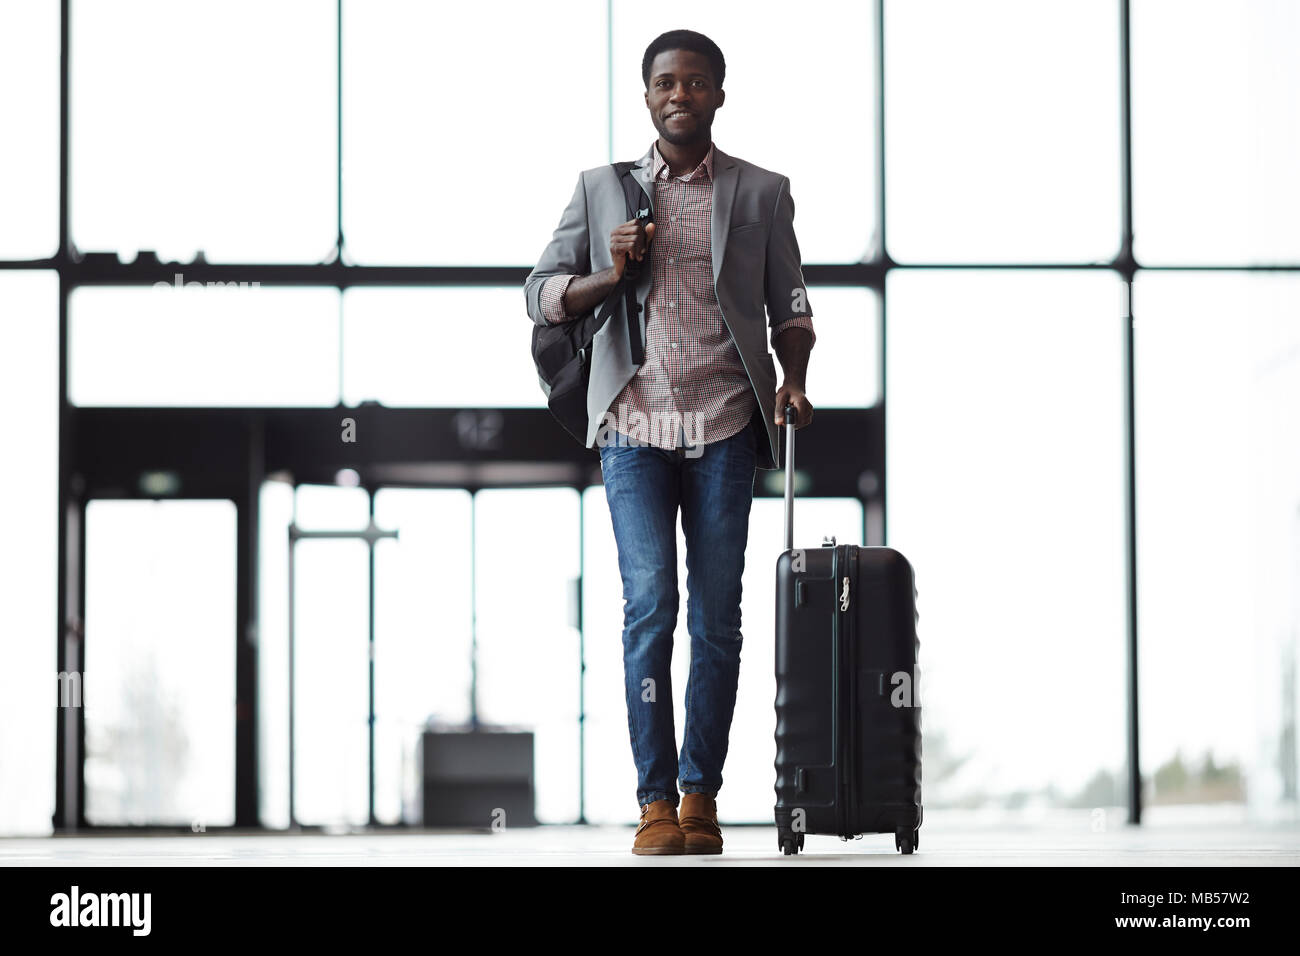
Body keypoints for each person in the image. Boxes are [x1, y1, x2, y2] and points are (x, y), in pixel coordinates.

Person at [524, 28, 816, 855]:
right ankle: (653, 800)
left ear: (719, 94)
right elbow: (540, 294)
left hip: (724, 422)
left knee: (717, 619)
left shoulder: (762, 193)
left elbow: (791, 307)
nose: (679, 94)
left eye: (695, 83)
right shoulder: (600, 190)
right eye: (664, 83)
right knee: (650, 610)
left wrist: (792, 379)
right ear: (646, 95)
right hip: (633, 429)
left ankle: (700, 796)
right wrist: (609, 275)